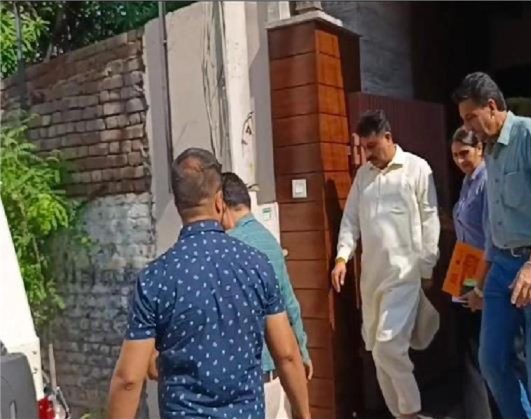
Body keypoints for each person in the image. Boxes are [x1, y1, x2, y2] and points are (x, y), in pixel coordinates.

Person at [107, 148, 310, 419]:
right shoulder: (256, 265)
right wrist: (303, 415)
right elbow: (287, 355)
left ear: (177, 204)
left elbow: (129, 380)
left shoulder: (156, 278)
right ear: (219, 201)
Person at [452, 72, 531, 419]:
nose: (467, 127)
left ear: (491, 106)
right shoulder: (490, 153)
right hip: (503, 266)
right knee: (491, 362)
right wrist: (479, 284)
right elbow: (496, 226)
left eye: (470, 117)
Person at [331, 110, 440, 419]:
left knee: (389, 346)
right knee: (378, 353)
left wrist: (427, 267)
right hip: (372, 279)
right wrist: (342, 258)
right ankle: (401, 415)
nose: (368, 154)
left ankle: (411, 411)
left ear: (389, 138)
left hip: (404, 275)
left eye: (373, 146)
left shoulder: (417, 168)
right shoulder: (363, 176)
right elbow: (350, 221)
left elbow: (430, 220)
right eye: (365, 147)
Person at [219, 171, 313, 419]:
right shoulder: (269, 241)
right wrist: (302, 352)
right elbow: (290, 303)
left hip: (243, 382)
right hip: (275, 377)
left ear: (222, 206)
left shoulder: (227, 249)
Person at [449, 127, 501, 419]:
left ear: (480, 149)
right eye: (455, 155)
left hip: (485, 269)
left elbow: (491, 236)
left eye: (465, 153)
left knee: (483, 349)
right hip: (466, 267)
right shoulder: (468, 182)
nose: (460, 161)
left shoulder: (486, 181)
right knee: (469, 346)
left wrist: (479, 287)